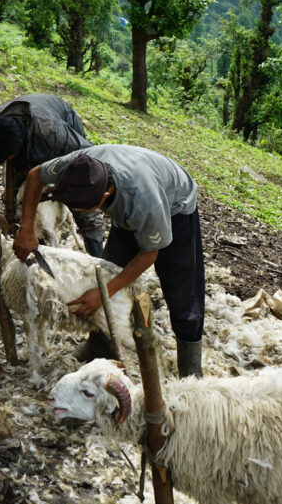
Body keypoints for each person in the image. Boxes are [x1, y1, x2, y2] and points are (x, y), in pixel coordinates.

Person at [12, 145, 205, 377]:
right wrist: (26, 228)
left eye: (84, 208)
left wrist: (104, 293)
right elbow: (35, 175)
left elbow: (149, 254)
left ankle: (191, 370)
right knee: (105, 272)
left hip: (176, 206)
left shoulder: (144, 201)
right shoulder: (77, 166)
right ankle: (99, 346)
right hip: (130, 202)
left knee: (182, 293)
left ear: (103, 197)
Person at [0, 93, 105, 256]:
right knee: (18, 195)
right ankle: (29, 239)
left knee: (81, 198)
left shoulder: (54, 133)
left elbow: (89, 160)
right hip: (27, 136)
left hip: (62, 127)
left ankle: (96, 252)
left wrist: (62, 185)